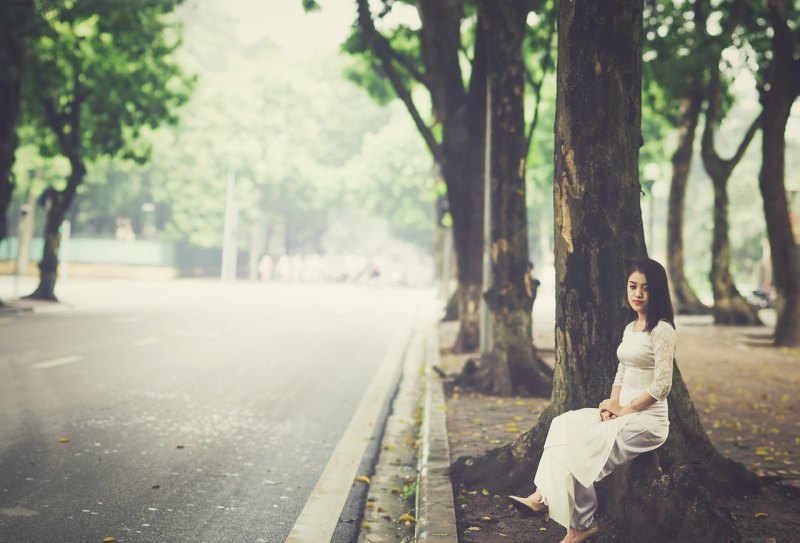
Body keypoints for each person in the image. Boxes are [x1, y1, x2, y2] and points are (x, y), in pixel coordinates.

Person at [508, 258, 677, 543]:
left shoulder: (662, 331)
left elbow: (662, 385)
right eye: (633, 286)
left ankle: (576, 524)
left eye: (645, 289)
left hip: (648, 420)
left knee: (585, 451)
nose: (637, 294)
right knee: (565, 424)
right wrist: (612, 404)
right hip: (623, 411)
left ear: (657, 291)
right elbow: (622, 370)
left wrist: (625, 409)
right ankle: (543, 497)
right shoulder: (630, 328)